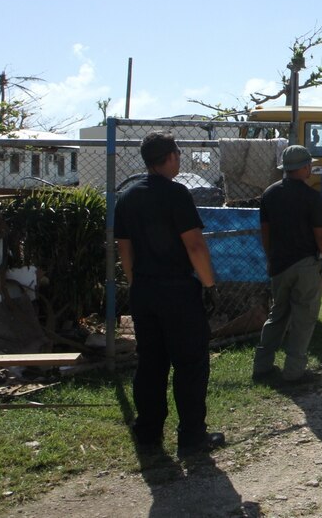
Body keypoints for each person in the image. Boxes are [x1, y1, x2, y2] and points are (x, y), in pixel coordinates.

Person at [113, 132, 225, 458]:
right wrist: (208, 285)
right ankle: (191, 437)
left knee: (150, 363)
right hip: (177, 291)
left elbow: (124, 248)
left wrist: (138, 283)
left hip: (144, 291)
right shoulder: (177, 194)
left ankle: (148, 431)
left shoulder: (128, 198)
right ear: (172, 157)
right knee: (190, 365)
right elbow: (194, 244)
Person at [253, 145, 322, 383]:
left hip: (280, 264)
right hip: (305, 265)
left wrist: (272, 257)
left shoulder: (269, 194)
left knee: (277, 315)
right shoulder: (311, 197)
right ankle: (294, 371)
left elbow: (265, 232)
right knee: (303, 317)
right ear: (304, 167)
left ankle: (262, 365)